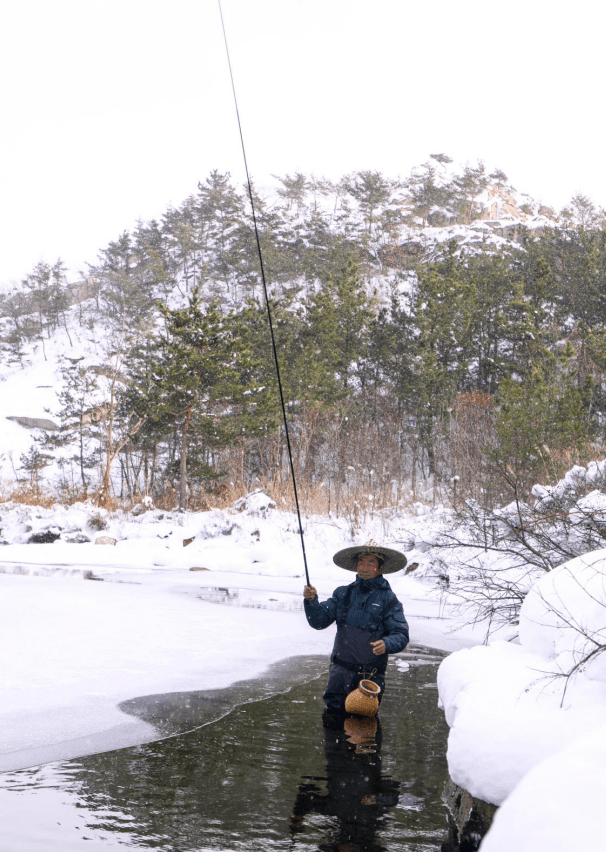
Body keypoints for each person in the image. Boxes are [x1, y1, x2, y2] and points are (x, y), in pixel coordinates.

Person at [303, 540, 409, 712]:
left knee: (363, 733)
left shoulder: (389, 600)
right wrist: (311, 601)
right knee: (332, 726)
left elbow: (401, 634)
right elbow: (318, 621)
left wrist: (387, 644)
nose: (364, 567)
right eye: (361, 562)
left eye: (370, 562)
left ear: (380, 567)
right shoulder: (343, 594)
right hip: (338, 676)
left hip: (369, 680)